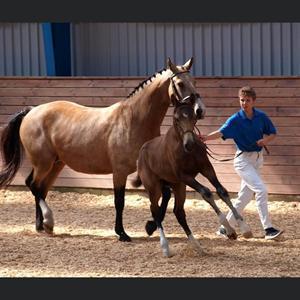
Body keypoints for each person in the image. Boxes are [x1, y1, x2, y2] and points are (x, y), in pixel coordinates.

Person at [200, 86, 283, 240]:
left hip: (258, 159)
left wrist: (265, 140)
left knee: (244, 197)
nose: (244, 103)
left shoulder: (261, 116)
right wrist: (205, 138)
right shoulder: (235, 120)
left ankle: (224, 229)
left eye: (247, 100)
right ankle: (268, 229)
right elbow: (220, 132)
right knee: (261, 190)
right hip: (243, 161)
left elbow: (273, 133)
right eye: (242, 100)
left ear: (253, 101)